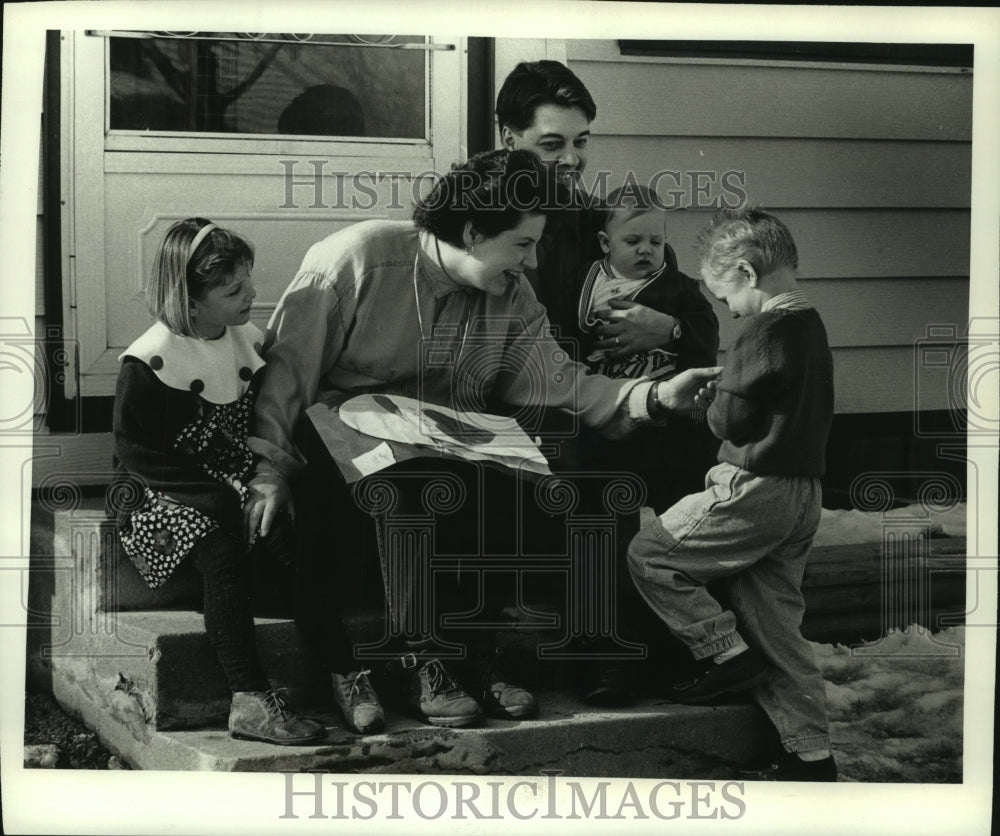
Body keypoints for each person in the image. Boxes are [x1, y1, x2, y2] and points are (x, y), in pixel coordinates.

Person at [244, 149, 721, 729]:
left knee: (517, 475)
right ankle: (423, 660)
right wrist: (269, 470)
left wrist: (653, 397)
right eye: (522, 245)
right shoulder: (355, 259)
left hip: (443, 436)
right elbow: (286, 375)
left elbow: (556, 378)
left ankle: (478, 657)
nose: (532, 261)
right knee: (418, 482)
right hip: (340, 433)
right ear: (472, 231)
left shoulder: (512, 295)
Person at [109, 218, 340, 746]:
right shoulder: (149, 362)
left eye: (248, 282)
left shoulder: (245, 342)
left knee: (287, 530)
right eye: (233, 289)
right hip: (158, 490)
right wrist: (214, 497)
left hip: (228, 473)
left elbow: (263, 415)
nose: (252, 296)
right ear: (189, 301)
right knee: (221, 550)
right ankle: (250, 697)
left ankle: (341, 665)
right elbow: (135, 449)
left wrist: (253, 482)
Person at [627, 206, 837, 782]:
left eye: (726, 300)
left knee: (652, 554)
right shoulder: (812, 324)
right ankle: (811, 755)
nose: (729, 311)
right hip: (803, 493)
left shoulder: (762, 329)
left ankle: (723, 655)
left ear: (745, 273)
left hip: (755, 486)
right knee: (776, 626)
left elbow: (730, 420)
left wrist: (709, 405)